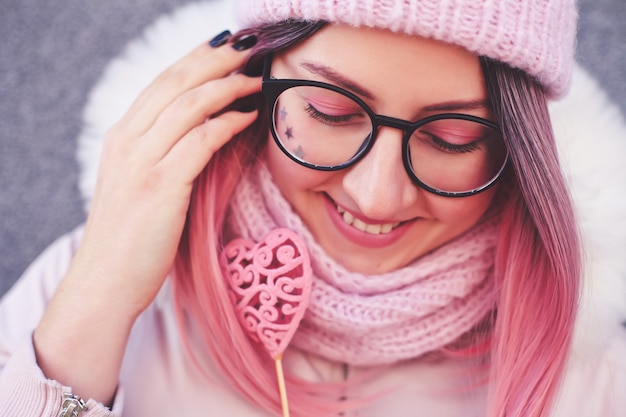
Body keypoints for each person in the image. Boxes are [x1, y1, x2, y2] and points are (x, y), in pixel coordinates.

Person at [1, 0, 625, 416]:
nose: (376, 196)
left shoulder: (593, 373)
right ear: (253, 77)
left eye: (451, 139)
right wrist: (94, 308)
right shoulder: (82, 286)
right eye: (330, 112)